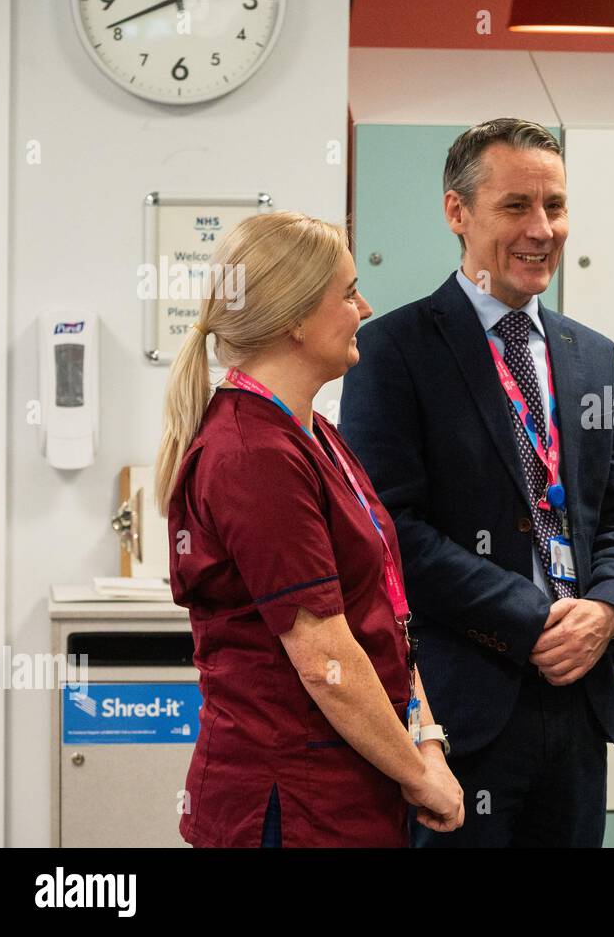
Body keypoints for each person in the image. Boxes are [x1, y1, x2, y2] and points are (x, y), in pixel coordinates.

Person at [340, 118, 614, 848]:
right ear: (458, 211)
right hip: (459, 714)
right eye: (516, 206)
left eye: (555, 206)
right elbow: (392, 531)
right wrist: (533, 618)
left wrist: (606, 611)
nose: (542, 229)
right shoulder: (393, 351)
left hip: (578, 703)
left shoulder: (595, 358)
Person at [156, 210, 464, 847]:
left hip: (349, 789)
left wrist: (427, 741)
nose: (366, 308)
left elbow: (381, 611)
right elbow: (324, 656)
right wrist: (418, 775)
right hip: (290, 803)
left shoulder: (312, 433)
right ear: (294, 318)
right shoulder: (254, 456)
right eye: (348, 294)